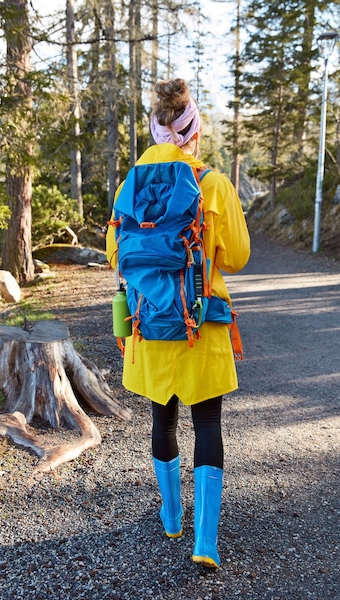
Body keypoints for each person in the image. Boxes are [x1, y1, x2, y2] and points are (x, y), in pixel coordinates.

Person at [106, 78, 250, 568]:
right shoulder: (211, 181)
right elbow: (239, 256)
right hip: (199, 327)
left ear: (154, 127)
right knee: (207, 422)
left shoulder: (131, 183)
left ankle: (171, 516)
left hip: (148, 327)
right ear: (195, 129)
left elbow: (114, 257)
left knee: (160, 418)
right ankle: (205, 541)